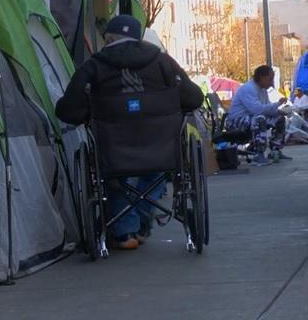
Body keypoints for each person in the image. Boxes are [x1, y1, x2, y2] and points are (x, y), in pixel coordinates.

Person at [55, 15, 204, 250]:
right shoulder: (162, 61)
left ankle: (124, 231)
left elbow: (68, 111)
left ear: (110, 38)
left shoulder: (93, 65)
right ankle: (141, 221)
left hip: (113, 149)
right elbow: (193, 98)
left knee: (114, 176)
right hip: (161, 148)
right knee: (157, 170)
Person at [226, 65, 291, 166]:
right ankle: (259, 155)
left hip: (251, 118)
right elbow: (257, 110)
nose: (272, 82)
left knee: (279, 119)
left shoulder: (263, 90)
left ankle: (275, 151)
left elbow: (266, 109)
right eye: (270, 79)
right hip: (236, 122)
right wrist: (277, 104)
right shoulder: (248, 89)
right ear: (261, 77)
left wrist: (279, 112)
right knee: (259, 119)